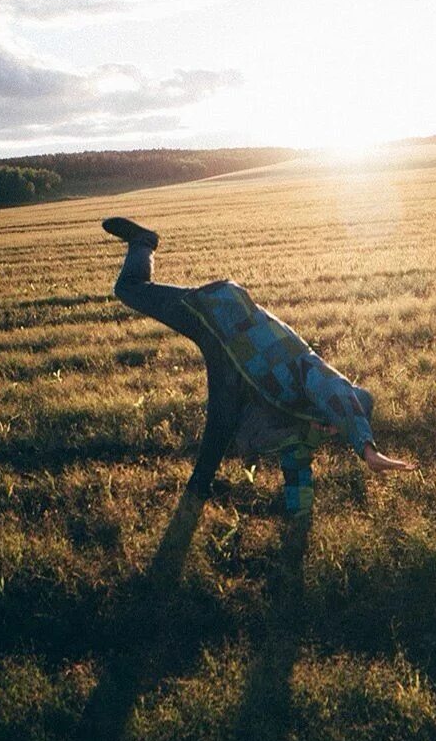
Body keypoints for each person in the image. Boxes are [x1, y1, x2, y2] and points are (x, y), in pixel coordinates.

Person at [106, 217, 414, 523]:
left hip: (233, 363)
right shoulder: (313, 376)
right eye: (335, 425)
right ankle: (144, 241)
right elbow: (337, 393)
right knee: (129, 289)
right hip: (223, 315)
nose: (330, 431)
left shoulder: (307, 424)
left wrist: (300, 516)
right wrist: (368, 450)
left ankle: (195, 494)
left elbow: (298, 463)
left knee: (221, 426)